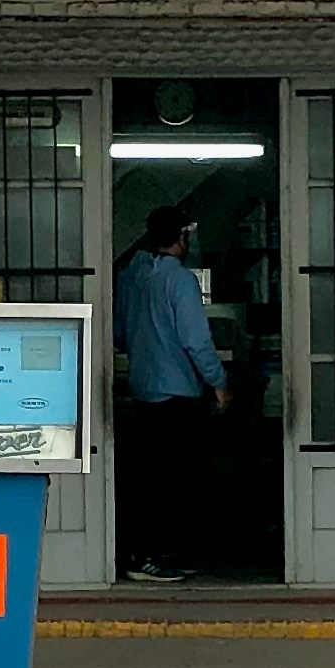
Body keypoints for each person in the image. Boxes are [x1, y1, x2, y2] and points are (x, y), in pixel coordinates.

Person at [113, 206, 229, 583]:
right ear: (182, 237)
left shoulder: (134, 276)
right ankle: (153, 556)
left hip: (143, 389)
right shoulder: (179, 281)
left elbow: (118, 333)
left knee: (149, 476)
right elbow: (196, 340)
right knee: (174, 481)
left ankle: (150, 551)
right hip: (177, 394)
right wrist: (219, 382)